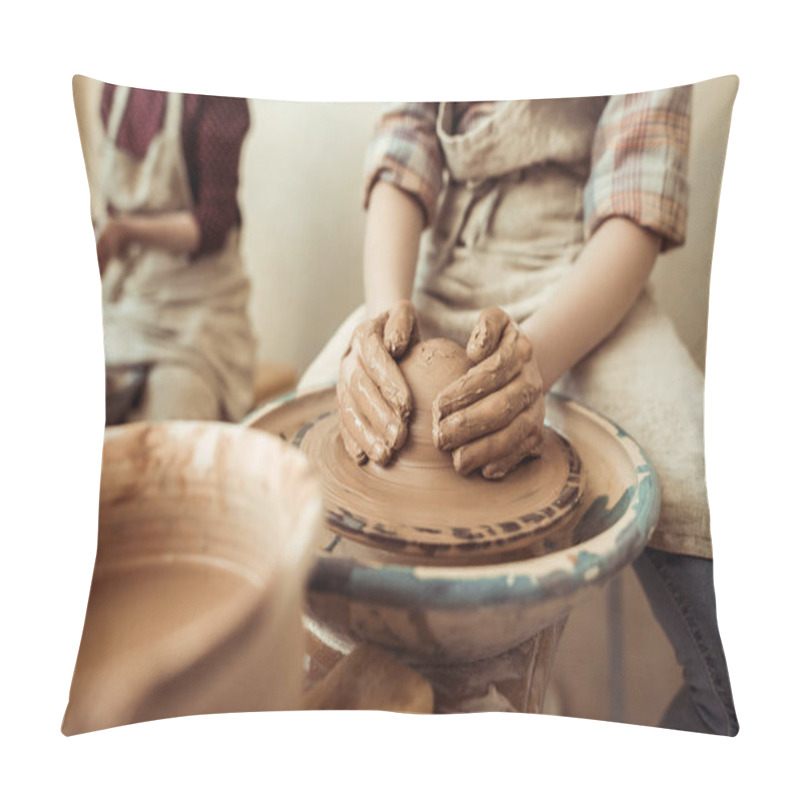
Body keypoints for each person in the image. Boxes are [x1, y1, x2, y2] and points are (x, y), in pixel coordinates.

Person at [301, 94, 739, 734]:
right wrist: (382, 323)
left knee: (757, 656)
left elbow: (635, 203)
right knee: (257, 508)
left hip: (586, 280)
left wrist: (537, 362)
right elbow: (402, 152)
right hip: (434, 269)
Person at [95, 84, 255, 424]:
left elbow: (212, 224)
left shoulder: (215, 92)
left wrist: (124, 231)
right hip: (132, 301)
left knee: (169, 437)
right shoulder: (114, 88)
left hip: (199, 314)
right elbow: (112, 203)